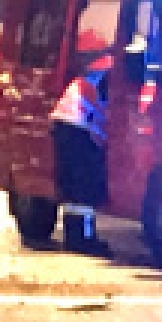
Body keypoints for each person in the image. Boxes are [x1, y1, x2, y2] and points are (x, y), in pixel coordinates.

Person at [50, 53, 114, 257]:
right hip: (77, 131)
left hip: (64, 129)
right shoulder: (93, 87)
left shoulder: (82, 82)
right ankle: (84, 240)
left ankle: (74, 237)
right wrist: (107, 142)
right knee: (85, 187)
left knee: (73, 190)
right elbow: (97, 121)